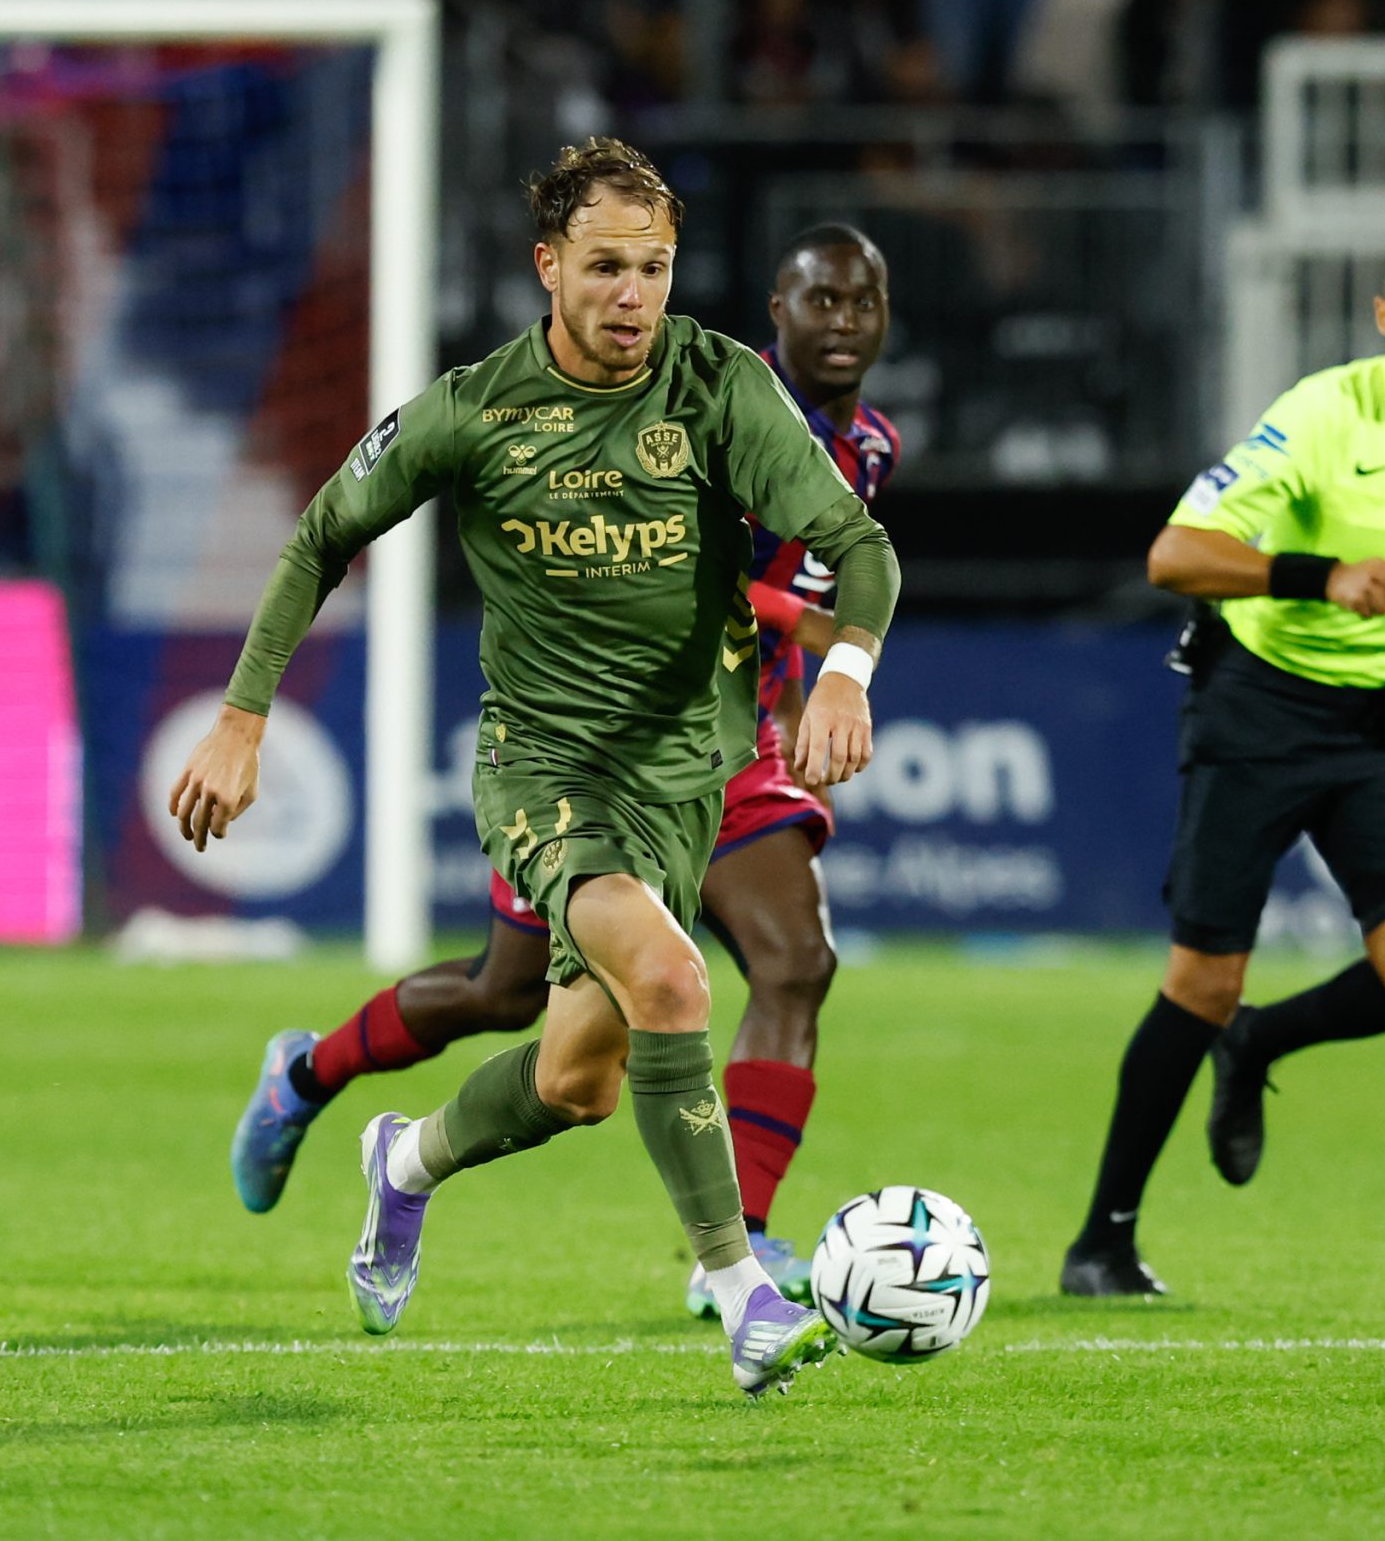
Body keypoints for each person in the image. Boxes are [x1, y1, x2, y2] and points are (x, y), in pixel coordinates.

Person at [168, 139, 901, 1400]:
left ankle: (403, 1161)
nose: (634, 296)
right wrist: (242, 717)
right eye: (608, 267)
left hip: (690, 775)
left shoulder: (719, 385)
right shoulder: (473, 411)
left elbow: (855, 543)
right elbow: (317, 538)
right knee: (676, 981)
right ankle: (744, 1295)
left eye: (656, 268)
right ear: (548, 265)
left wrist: (846, 675)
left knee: (575, 1081)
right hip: (547, 770)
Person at [1059, 227, 1385, 1298]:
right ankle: (1103, 1239)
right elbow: (1172, 555)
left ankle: (1258, 1045)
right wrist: (1316, 574)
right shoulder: (1320, 416)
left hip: (1372, 720)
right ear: (1382, 316)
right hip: (1256, 706)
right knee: (1199, 982)